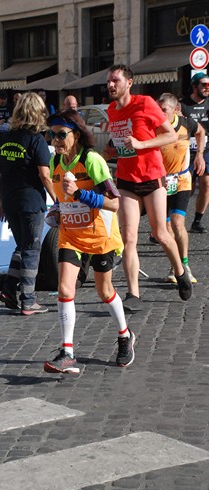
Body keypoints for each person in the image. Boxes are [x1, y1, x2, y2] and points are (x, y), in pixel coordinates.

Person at [42, 109, 134, 373]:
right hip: (70, 235)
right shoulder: (55, 163)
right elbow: (62, 199)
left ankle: (125, 335)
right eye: (51, 134)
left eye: (61, 134)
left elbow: (115, 203)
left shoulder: (92, 160)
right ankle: (67, 352)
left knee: (104, 292)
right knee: (64, 290)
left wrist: (82, 194)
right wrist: (57, 210)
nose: (55, 140)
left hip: (99, 236)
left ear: (77, 135)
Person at [106, 64, 192, 313]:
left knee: (161, 233)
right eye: (109, 81)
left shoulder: (144, 103)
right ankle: (133, 292)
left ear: (128, 83)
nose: (111, 85)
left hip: (153, 178)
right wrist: (112, 149)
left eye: (115, 81)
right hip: (126, 180)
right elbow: (121, 142)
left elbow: (170, 136)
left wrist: (141, 144)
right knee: (129, 238)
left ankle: (180, 271)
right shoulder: (112, 110)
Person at [0, 92, 56, 315]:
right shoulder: (36, 139)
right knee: (31, 249)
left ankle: (9, 289)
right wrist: (56, 199)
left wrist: (1, 199)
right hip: (30, 201)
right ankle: (28, 300)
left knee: (23, 246)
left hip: (10, 201)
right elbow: (44, 175)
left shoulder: (5, 137)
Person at [157, 93, 205, 285]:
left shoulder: (187, 124)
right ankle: (174, 265)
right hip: (160, 183)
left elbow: (201, 132)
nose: (159, 114)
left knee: (177, 223)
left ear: (176, 110)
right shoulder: (154, 127)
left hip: (182, 179)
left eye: (164, 111)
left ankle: (185, 265)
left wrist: (199, 155)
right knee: (166, 228)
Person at [181, 71, 209, 234]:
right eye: (203, 85)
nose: (207, 88)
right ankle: (175, 220)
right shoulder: (183, 105)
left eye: (208, 85)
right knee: (186, 189)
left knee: (206, 185)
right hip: (185, 152)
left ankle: (197, 221)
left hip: (205, 150)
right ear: (194, 86)